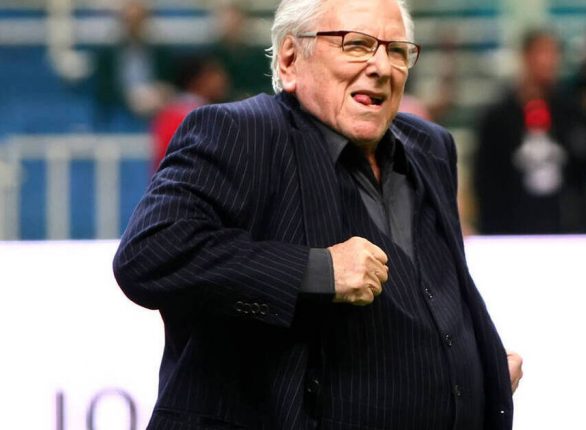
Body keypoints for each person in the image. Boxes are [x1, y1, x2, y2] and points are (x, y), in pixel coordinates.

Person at [112, 0, 522, 428]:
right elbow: (149, 254)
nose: (383, 67)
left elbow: (438, 302)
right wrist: (318, 270)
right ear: (290, 59)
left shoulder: (431, 147)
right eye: (357, 45)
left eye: (397, 50)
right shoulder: (240, 132)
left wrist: (475, 376)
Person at [473, 29, 586, 234]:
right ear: (525, 57)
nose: (548, 61)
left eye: (553, 53)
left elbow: (584, 170)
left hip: (564, 228)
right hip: (513, 229)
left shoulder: (570, 112)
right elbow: (485, 179)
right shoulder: (498, 117)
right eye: (542, 52)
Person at [93, 0, 174, 131]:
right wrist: (129, 98)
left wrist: (160, 93)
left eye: (138, 21)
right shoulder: (107, 55)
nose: (133, 27)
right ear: (122, 23)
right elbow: (103, 91)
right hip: (119, 110)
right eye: (129, 21)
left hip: (155, 109)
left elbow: (170, 84)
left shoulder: (161, 53)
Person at [150, 55, 229, 171]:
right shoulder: (184, 116)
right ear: (198, 80)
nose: (222, 79)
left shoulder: (175, 112)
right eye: (213, 74)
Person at [210, 1, 272, 100]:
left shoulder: (258, 56)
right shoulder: (210, 56)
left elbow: (265, 85)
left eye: (234, 18)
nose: (230, 23)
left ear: (243, 20)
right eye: (226, 18)